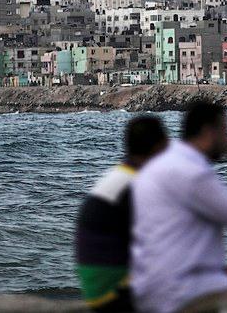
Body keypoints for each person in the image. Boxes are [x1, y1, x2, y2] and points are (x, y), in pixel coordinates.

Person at [131, 101, 227, 313]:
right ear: (210, 131)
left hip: (149, 284)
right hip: (177, 293)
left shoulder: (165, 162)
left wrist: (218, 270)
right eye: (226, 132)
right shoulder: (192, 172)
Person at [76, 114, 169, 312]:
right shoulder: (140, 186)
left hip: (96, 287)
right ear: (159, 147)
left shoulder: (121, 175)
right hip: (113, 294)